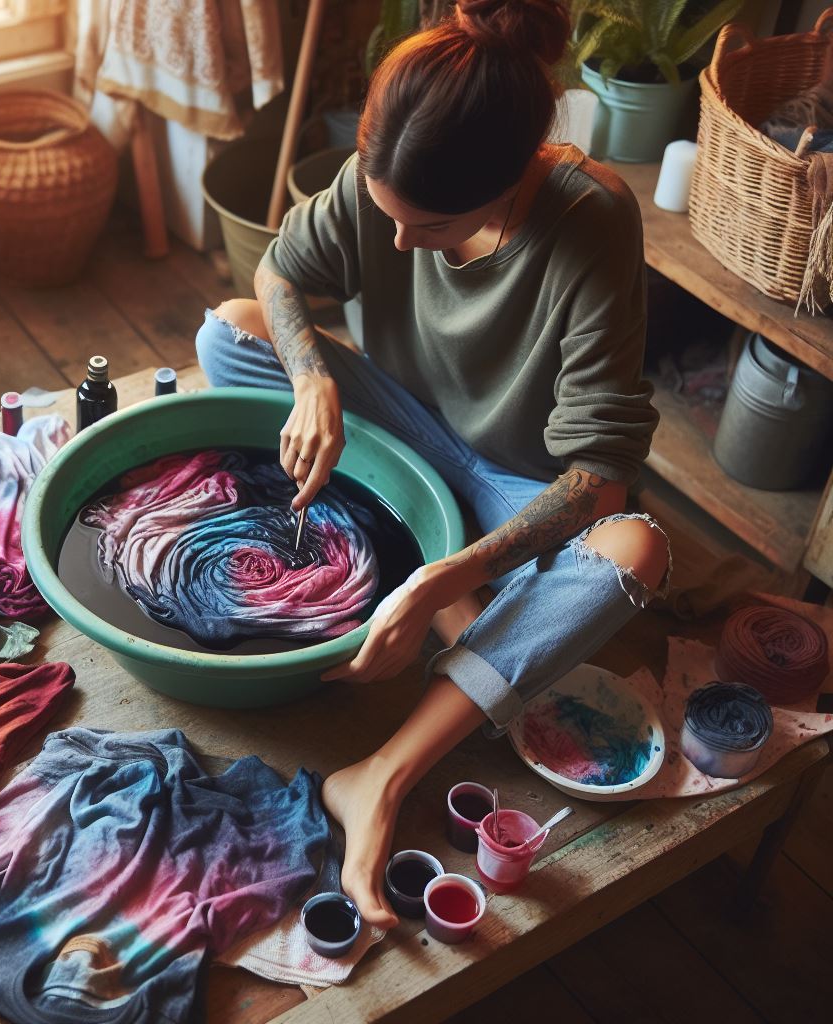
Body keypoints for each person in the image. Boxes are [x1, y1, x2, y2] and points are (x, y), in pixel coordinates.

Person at [195, 0, 671, 927]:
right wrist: (312, 383)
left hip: (513, 486)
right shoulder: (392, 163)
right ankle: (462, 609)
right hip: (406, 428)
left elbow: (600, 473)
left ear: (512, 182)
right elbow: (279, 275)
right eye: (388, 217)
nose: (404, 247)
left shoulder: (591, 221)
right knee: (233, 332)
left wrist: (452, 571)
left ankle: (383, 768)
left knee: (638, 551)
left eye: (435, 228)